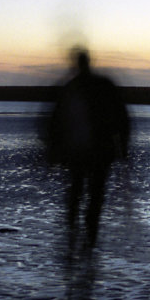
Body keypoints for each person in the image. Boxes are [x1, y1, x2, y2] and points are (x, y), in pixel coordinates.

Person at [43, 47, 131, 265]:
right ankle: (87, 238)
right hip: (96, 153)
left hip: (82, 152)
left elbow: (54, 122)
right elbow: (122, 118)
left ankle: (76, 235)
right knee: (93, 197)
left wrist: (53, 151)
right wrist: (123, 148)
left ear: (76, 63)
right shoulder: (102, 85)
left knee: (78, 193)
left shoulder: (71, 87)